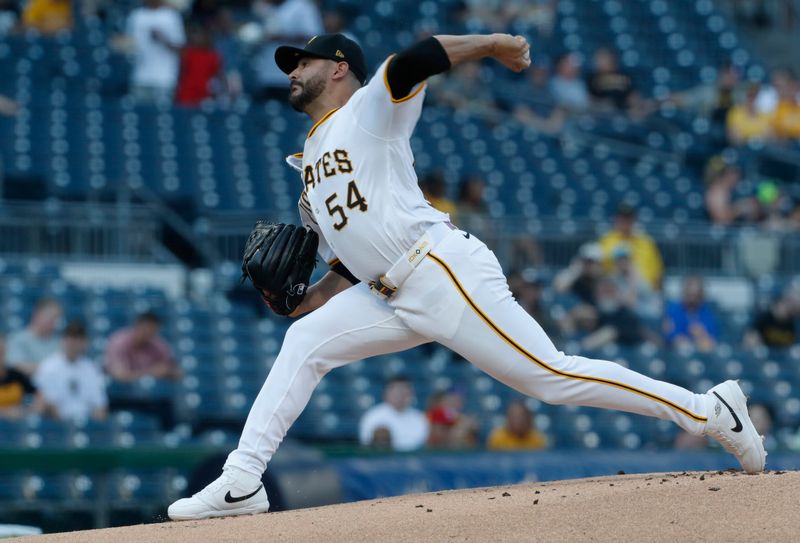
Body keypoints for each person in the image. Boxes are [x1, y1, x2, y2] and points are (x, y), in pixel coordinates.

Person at [168, 31, 765, 521]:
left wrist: (495, 43)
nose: (292, 70)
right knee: (303, 342)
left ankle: (710, 411)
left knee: (550, 377)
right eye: (289, 64)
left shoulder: (367, 111)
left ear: (341, 68)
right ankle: (243, 479)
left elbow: (416, 57)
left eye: (303, 61)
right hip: (388, 294)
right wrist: (300, 303)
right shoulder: (308, 168)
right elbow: (346, 267)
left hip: (437, 270)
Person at [34, 321, 108, 424]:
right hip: (57, 426)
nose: (74, 343)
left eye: (78, 338)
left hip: (86, 424)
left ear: (85, 342)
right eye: (71, 337)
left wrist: (96, 428)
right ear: (63, 340)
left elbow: (100, 405)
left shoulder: (91, 369)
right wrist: (66, 430)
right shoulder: (49, 367)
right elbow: (48, 403)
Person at [251, 0, 323, 102]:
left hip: (291, 76)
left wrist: (280, 37)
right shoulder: (264, 7)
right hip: (267, 76)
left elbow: (314, 37)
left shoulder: (303, 6)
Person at [126, 0, 186, 103]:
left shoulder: (171, 16)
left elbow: (181, 49)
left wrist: (163, 39)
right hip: (140, 77)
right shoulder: (136, 16)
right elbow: (128, 45)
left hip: (164, 79)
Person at [598, 203, 664, 290]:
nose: (625, 221)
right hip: (614, 290)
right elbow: (598, 268)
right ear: (616, 219)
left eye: (628, 218)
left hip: (644, 291)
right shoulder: (606, 240)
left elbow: (658, 272)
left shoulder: (646, 242)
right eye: (622, 218)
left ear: (634, 219)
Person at [105, 311, 180, 382]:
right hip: (119, 393)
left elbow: (178, 373)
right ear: (137, 326)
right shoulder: (119, 341)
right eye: (146, 329)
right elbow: (119, 376)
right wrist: (151, 372)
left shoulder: (157, 343)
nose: (149, 334)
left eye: (153, 331)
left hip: (153, 394)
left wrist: (167, 371)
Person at [358, 376, 428, 451]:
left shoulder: (420, 417)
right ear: (386, 393)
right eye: (398, 391)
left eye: (406, 391)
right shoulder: (373, 416)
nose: (402, 395)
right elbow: (367, 445)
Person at [6, 298, 63, 377]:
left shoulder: (59, 343)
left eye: (57, 319)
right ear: (36, 315)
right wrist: (50, 370)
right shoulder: (17, 340)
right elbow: (15, 367)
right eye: (51, 318)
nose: (54, 323)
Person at [664, 276, 720, 352]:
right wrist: (696, 338)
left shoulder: (707, 313)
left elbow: (711, 340)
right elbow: (673, 337)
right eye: (690, 294)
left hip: (703, 354)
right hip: (677, 354)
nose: (692, 298)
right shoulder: (673, 310)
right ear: (684, 292)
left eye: (696, 295)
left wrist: (700, 335)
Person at [175, 23, 223, 107]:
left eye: (199, 36)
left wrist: (218, 92)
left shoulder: (213, 56)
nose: (196, 38)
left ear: (206, 37)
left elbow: (218, 76)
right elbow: (180, 73)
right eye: (194, 35)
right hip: (187, 91)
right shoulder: (187, 52)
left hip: (204, 93)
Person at [0, 335, 40, 420]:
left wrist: (27, 411)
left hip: (17, 425)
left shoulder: (16, 375)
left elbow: (38, 394)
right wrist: (5, 412)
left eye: (1, 352)